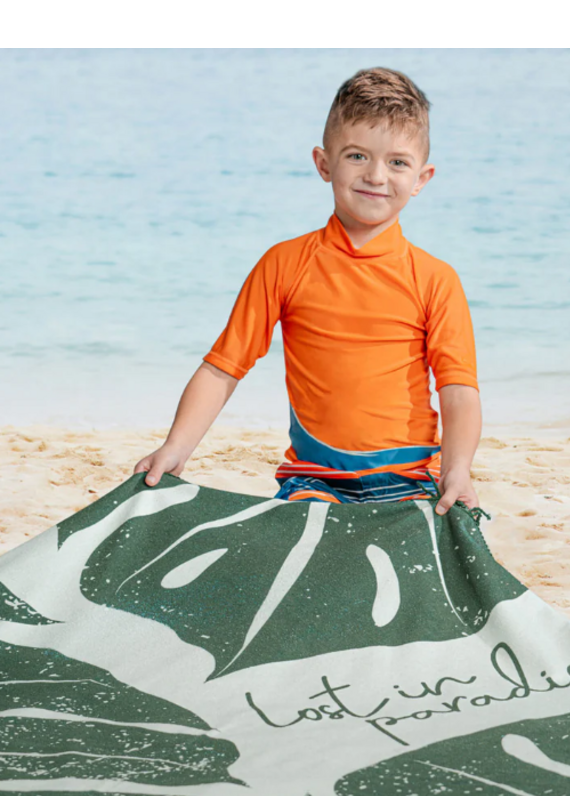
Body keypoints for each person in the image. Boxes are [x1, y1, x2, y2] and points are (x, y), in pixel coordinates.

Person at [135, 68, 481, 516]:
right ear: (324, 163)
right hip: (314, 479)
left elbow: (458, 389)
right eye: (357, 156)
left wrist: (457, 470)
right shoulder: (285, 264)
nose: (376, 175)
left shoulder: (436, 278)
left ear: (421, 178)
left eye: (397, 162)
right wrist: (175, 448)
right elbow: (223, 368)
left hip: (409, 479)